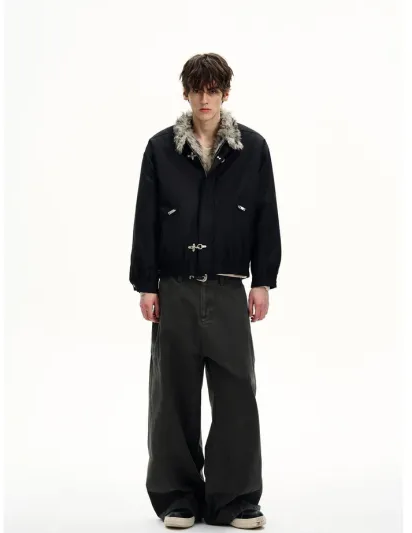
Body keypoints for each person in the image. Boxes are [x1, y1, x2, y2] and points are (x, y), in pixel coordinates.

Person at [129, 53, 282, 529]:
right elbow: (145, 218)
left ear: (225, 93)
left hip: (229, 289)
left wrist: (263, 279)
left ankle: (235, 500)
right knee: (173, 395)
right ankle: (178, 497)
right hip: (174, 289)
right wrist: (146, 284)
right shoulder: (160, 149)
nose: (204, 99)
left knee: (236, 393)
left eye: (213, 90)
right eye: (197, 90)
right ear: (186, 93)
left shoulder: (252, 149)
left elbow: (265, 215)